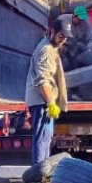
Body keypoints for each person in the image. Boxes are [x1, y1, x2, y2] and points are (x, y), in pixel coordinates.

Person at [25, 16, 69, 165]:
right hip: (42, 102)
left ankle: (41, 173)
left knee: (45, 138)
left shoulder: (50, 48)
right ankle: (39, 175)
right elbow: (42, 80)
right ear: (51, 31)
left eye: (66, 37)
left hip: (42, 102)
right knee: (43, 139)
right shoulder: (46, 50)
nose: (63, 40)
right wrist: (50, 102)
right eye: (61, 36)